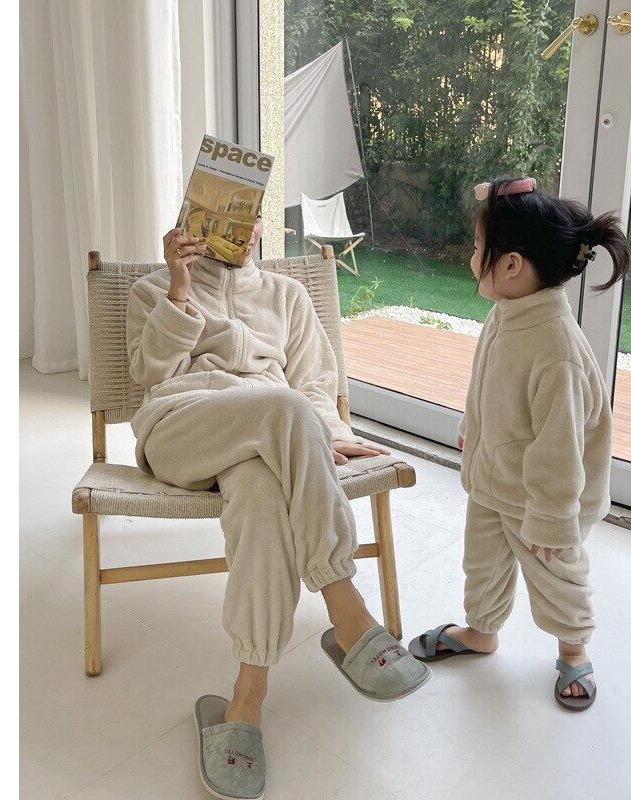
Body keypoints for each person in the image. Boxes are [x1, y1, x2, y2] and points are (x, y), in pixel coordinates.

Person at [126, 214, 430, 800]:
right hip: (182, 428)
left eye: (252, 218)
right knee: (285, 409)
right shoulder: (154, 290)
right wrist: (179, 290)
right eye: (225, 219)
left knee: (264, 498)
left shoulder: (288, 296)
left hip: (266, 446)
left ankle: (247, 696)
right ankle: (345, 607)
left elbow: (315, 384)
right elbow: (151, 373)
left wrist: (326, 434)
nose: (243, 232)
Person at [408, 177, 630, 711]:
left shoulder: (557, 351)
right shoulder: (507, 314)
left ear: (510, 265)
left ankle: (573, 649)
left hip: (543, 500)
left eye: (477, 249)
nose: (471, 260)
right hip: (495, 478)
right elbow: (487, 379)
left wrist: (552, 519)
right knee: (482, 564)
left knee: (556, 575)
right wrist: (474, 423)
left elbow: (560, 451)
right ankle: (481, 630)